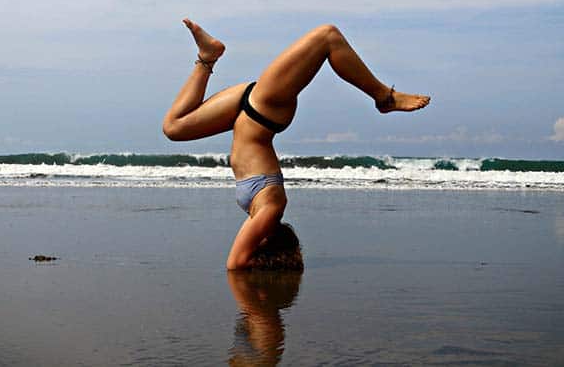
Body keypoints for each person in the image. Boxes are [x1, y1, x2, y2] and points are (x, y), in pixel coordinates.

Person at [163, 19, 430, 270]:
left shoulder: (258, 211)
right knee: (328, 36)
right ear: (265, 242)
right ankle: (385, 98)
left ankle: (208, 57)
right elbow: (235, 263)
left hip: (243, 112)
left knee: (174, 128)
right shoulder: (270, 211)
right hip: (264, 110)